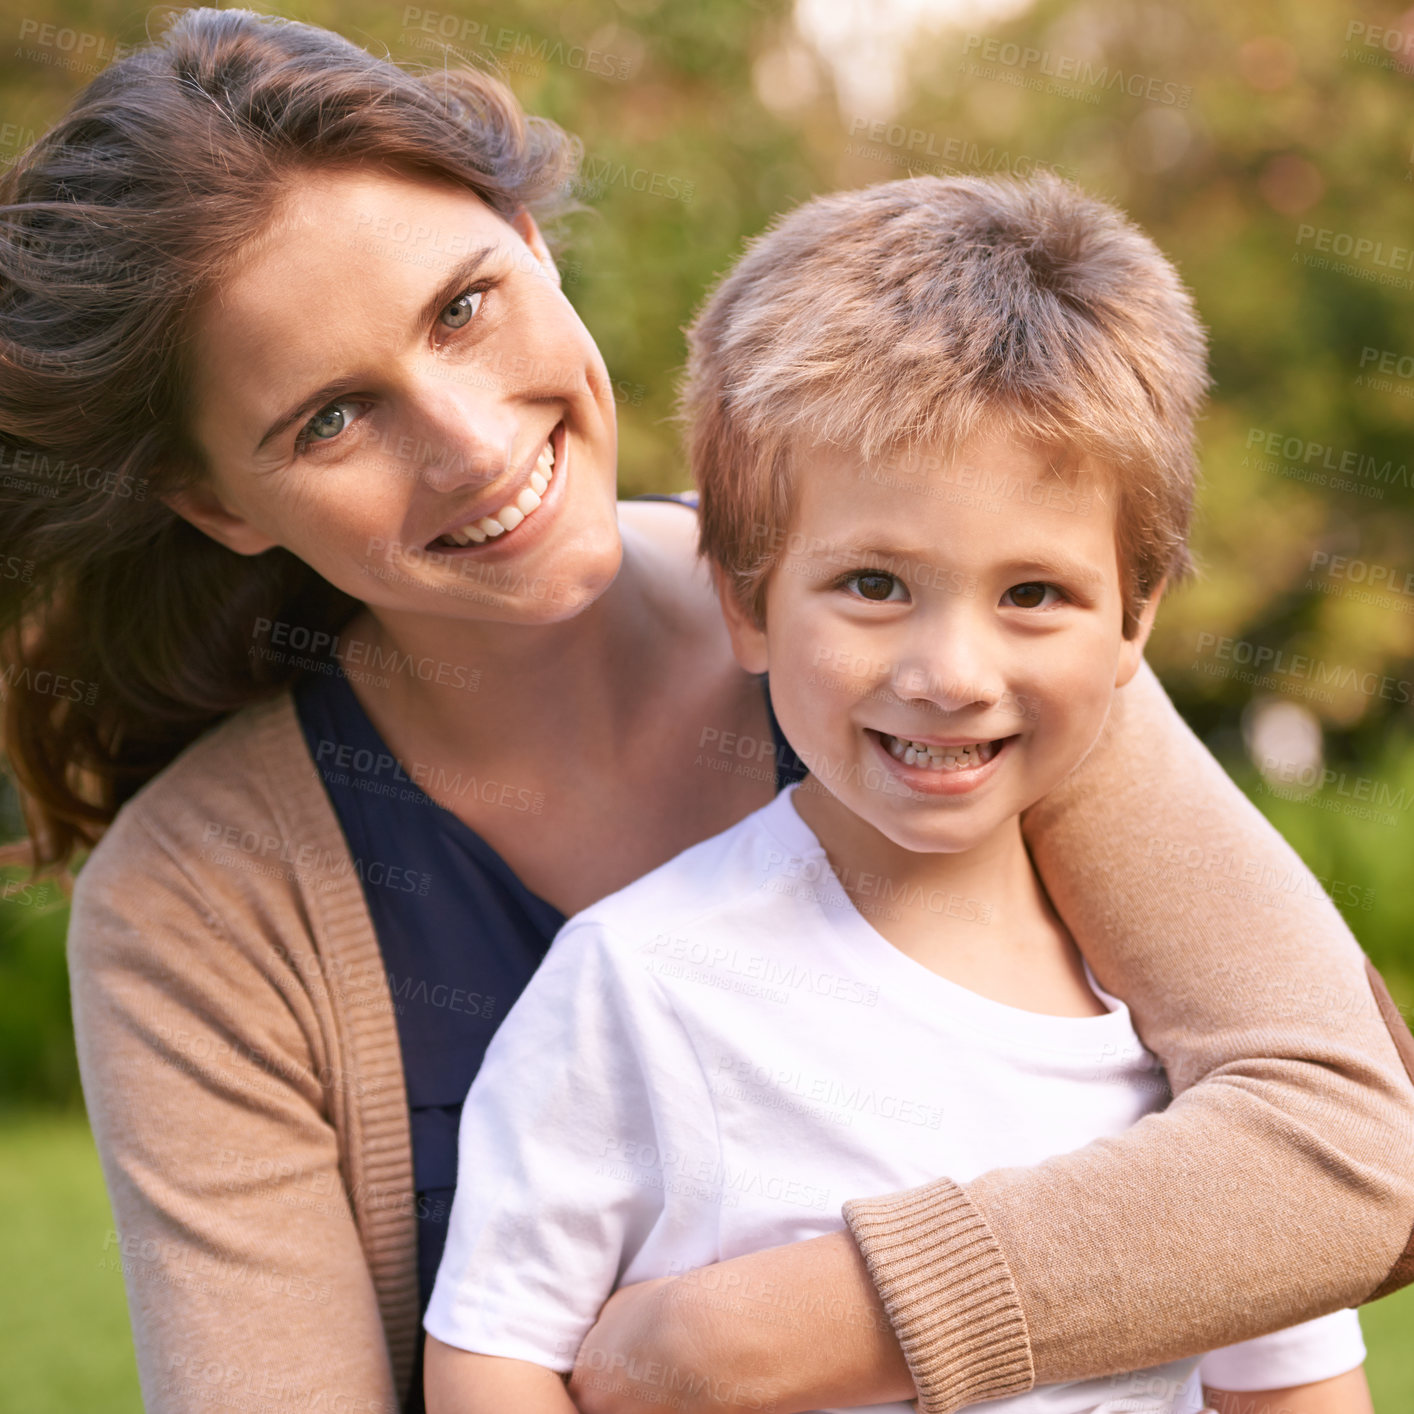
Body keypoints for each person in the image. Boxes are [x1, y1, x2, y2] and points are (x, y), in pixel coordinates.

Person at [0, 9, 1406, 1414]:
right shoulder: (202, 905)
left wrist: (761, 1335)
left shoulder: (943, 631)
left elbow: (1345, 1149)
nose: (474, 442)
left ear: (532, 239)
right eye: (329, 419)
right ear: (216, 505)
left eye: (463, 305)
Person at [420, 174, 1377, 1414]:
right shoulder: (638, 984)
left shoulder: (1194, 1035)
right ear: (747, 602)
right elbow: (496, 1356)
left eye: (1034, 594)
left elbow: (1291, 1386)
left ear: (1136, 619)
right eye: (873, 584)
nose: (949, 675)